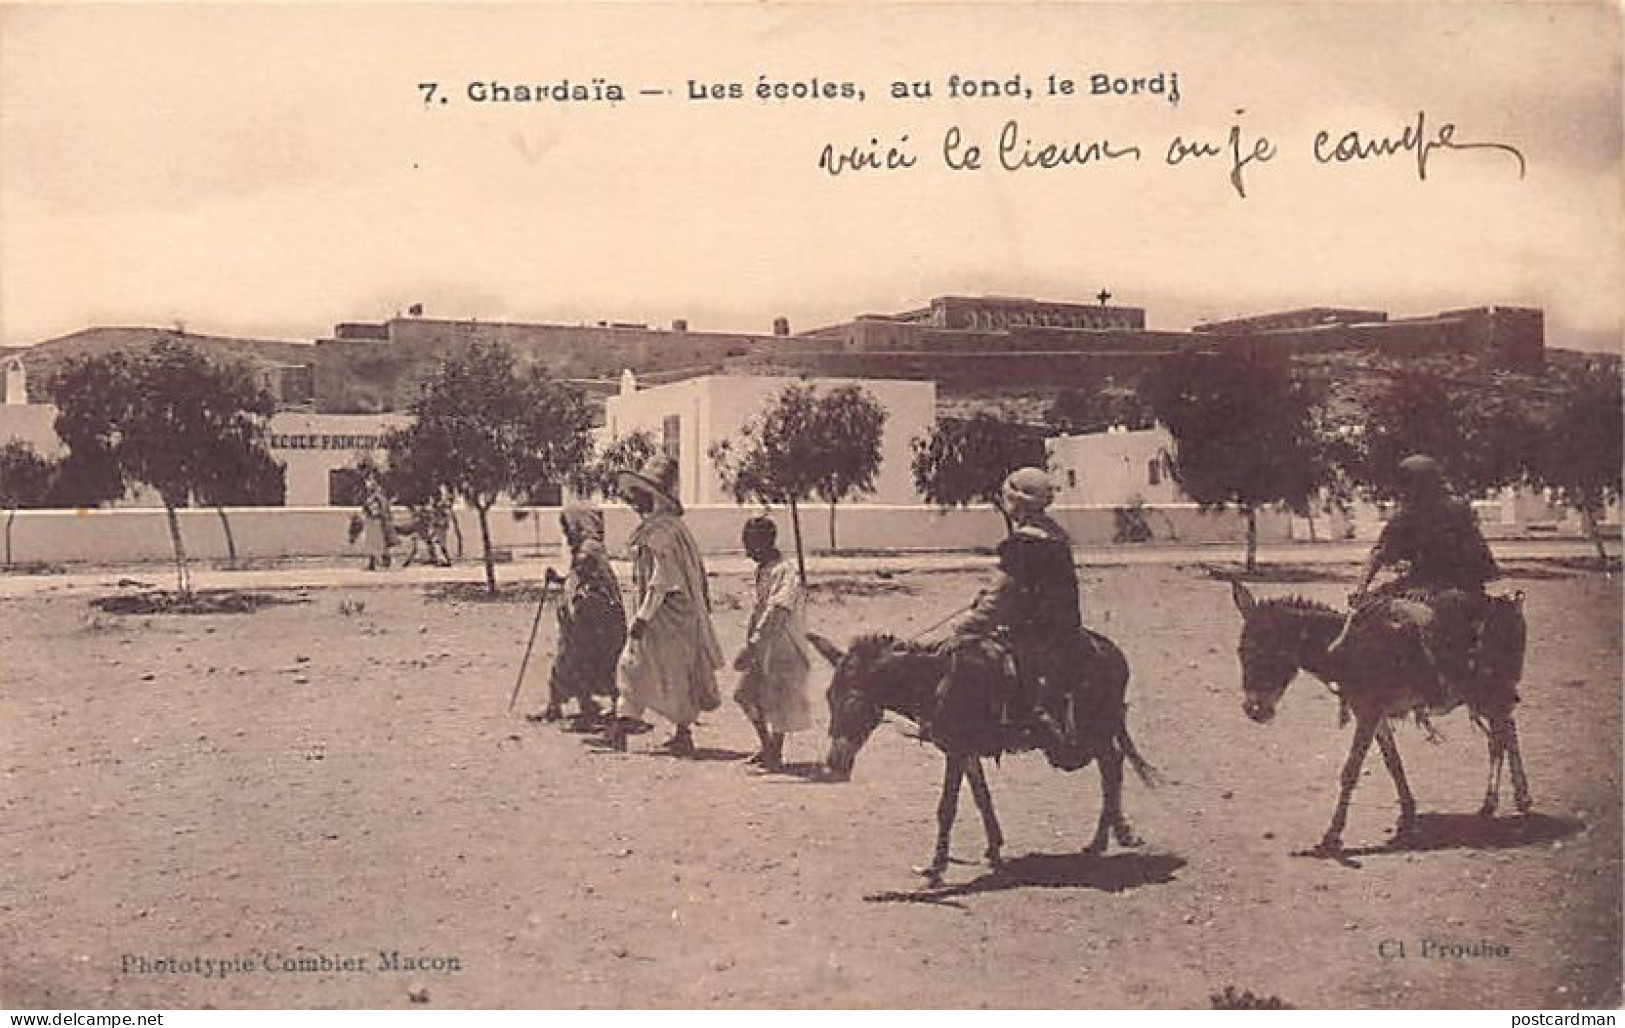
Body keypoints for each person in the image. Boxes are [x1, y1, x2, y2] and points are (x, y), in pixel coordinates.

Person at [944, 466, 1084, 758]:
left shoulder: (1022, 544)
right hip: (1065, 628)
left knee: (971, 657)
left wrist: (966, 624)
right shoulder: (1056, 536)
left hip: (1033, 633)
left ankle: (1000, 728)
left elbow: (1001, 598)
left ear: (1017, 503)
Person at [1344, 453, 1501, 702]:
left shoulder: (1456, 512)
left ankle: (1448, 682)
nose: (1404, 491)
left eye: (1408, 484)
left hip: (1460, 586)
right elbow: (1380, 553)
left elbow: (1469, 561)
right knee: (1374, 608)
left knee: (1442, 615)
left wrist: (1432, 586)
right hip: (1420, 583)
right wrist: (1361, 590)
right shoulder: (1406, 516)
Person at [612, 454, 725, 756]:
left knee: (636, 664)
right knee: (663, 670)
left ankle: (626, 726)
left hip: (666, 613)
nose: (634, 503)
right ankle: (635, 725)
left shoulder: (662, 532)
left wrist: (643, 616)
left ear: (655, 498)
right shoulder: (669, 528)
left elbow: (663, 577)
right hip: (674, 612)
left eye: (639, 497)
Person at [525, 502, 627, 728]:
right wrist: (560, 580)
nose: (567, 533)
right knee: (581, 659)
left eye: (568, 527)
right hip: (592, 617)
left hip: (590, 619)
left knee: (575, 658)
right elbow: (579, 580)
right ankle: (580, 703)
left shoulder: (587, 550)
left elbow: (586, 584)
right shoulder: (590, 547)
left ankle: (569, 705)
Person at [732, 516, 812, 772]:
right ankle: (766, 746)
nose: (747, 552)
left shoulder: (786, 572)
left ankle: (774, 753)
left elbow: (778, 611)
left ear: (765, 543)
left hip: (783, 646)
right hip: (763, 646)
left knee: (778, 700)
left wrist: (754, 643)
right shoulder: (764, 570)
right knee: (744, 695)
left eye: (751, 545)